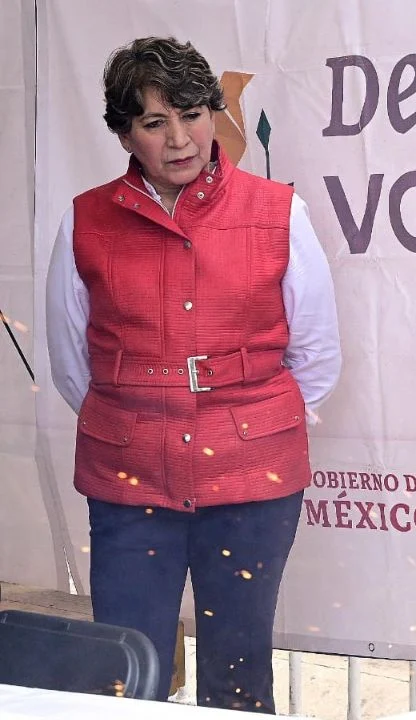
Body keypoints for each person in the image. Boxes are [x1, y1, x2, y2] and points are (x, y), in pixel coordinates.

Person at [45, 37, 341, 713]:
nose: (180, 139)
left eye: (192, 114)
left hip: (252, 480)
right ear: (126, 133)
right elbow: (71, 365)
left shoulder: (278, 211)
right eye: (154, 123)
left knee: (238, 671)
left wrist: (251, 428)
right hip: (128, 481)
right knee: (122, 671)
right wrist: (139, 418)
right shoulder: (84, 221)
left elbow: (317, 358)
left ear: (214, 112)